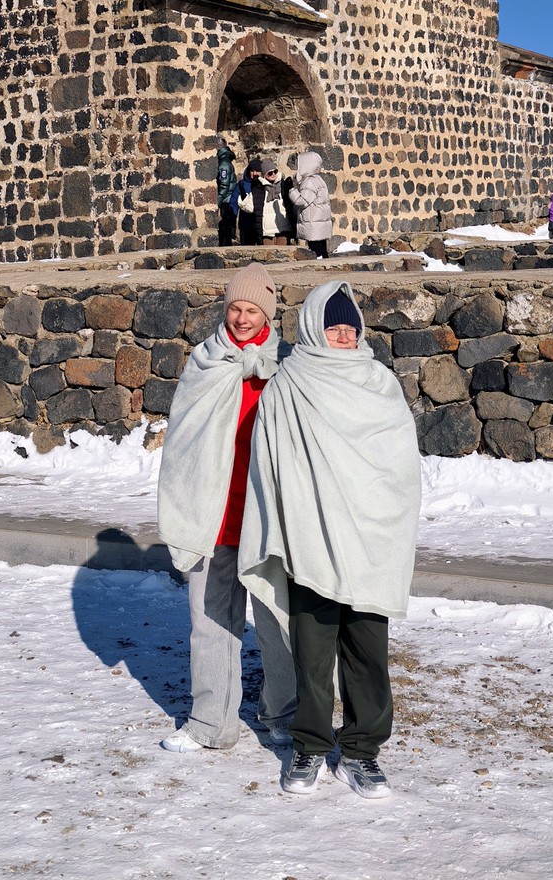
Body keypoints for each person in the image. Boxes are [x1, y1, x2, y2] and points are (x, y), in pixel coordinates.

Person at [239, 281, 421, 801]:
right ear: (314, 329)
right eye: (333, 327)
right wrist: (285, 524)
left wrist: (383, 520)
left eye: (350, 327)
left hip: (368, 541)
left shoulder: (379, 384)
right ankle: (311, 746)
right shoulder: (288, 385)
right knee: (312, 655)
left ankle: (361, 753)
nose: (343, 336)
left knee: (368, 651)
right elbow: (271, 462)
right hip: (311, 537)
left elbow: (399, 467)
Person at [157, 263, 296, 753]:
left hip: (267, 515)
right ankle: (210, 722)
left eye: (252, 310)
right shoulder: (207, 361)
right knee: (211, 619)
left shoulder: (287, 366)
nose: (241, 318)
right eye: (235, 308)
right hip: (214, 512)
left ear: (268, 315)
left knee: (278, 620)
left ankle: (283, 711)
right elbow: (184, 437)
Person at [289, 151, 333, 259]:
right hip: (319, 224)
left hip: (313, 224)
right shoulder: (319, 180)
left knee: (316, 253)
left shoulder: (309, 182)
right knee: (322, 252)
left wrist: (291, 190)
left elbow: (302, 201)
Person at [260, 158, 295, 245]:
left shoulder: (283, 186)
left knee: (284, 255)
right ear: (264, 175)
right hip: (267, 230)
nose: (273, 174)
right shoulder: (260, 188)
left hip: (283, 227)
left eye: (274, 171)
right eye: (269, 173)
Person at [234, 158, 265, 246]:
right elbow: (234, 201)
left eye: (257, 171)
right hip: (246, 223)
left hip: (262, 223)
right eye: (252, 171)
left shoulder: (266, 184)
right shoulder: (242, 184)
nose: (255, 173)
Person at [216, 136, 238, 246]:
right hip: (229, 198)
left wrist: (218, 201)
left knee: (226, 229)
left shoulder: (223, 163)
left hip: (226, 199)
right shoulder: (226, 159)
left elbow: (224, 184)